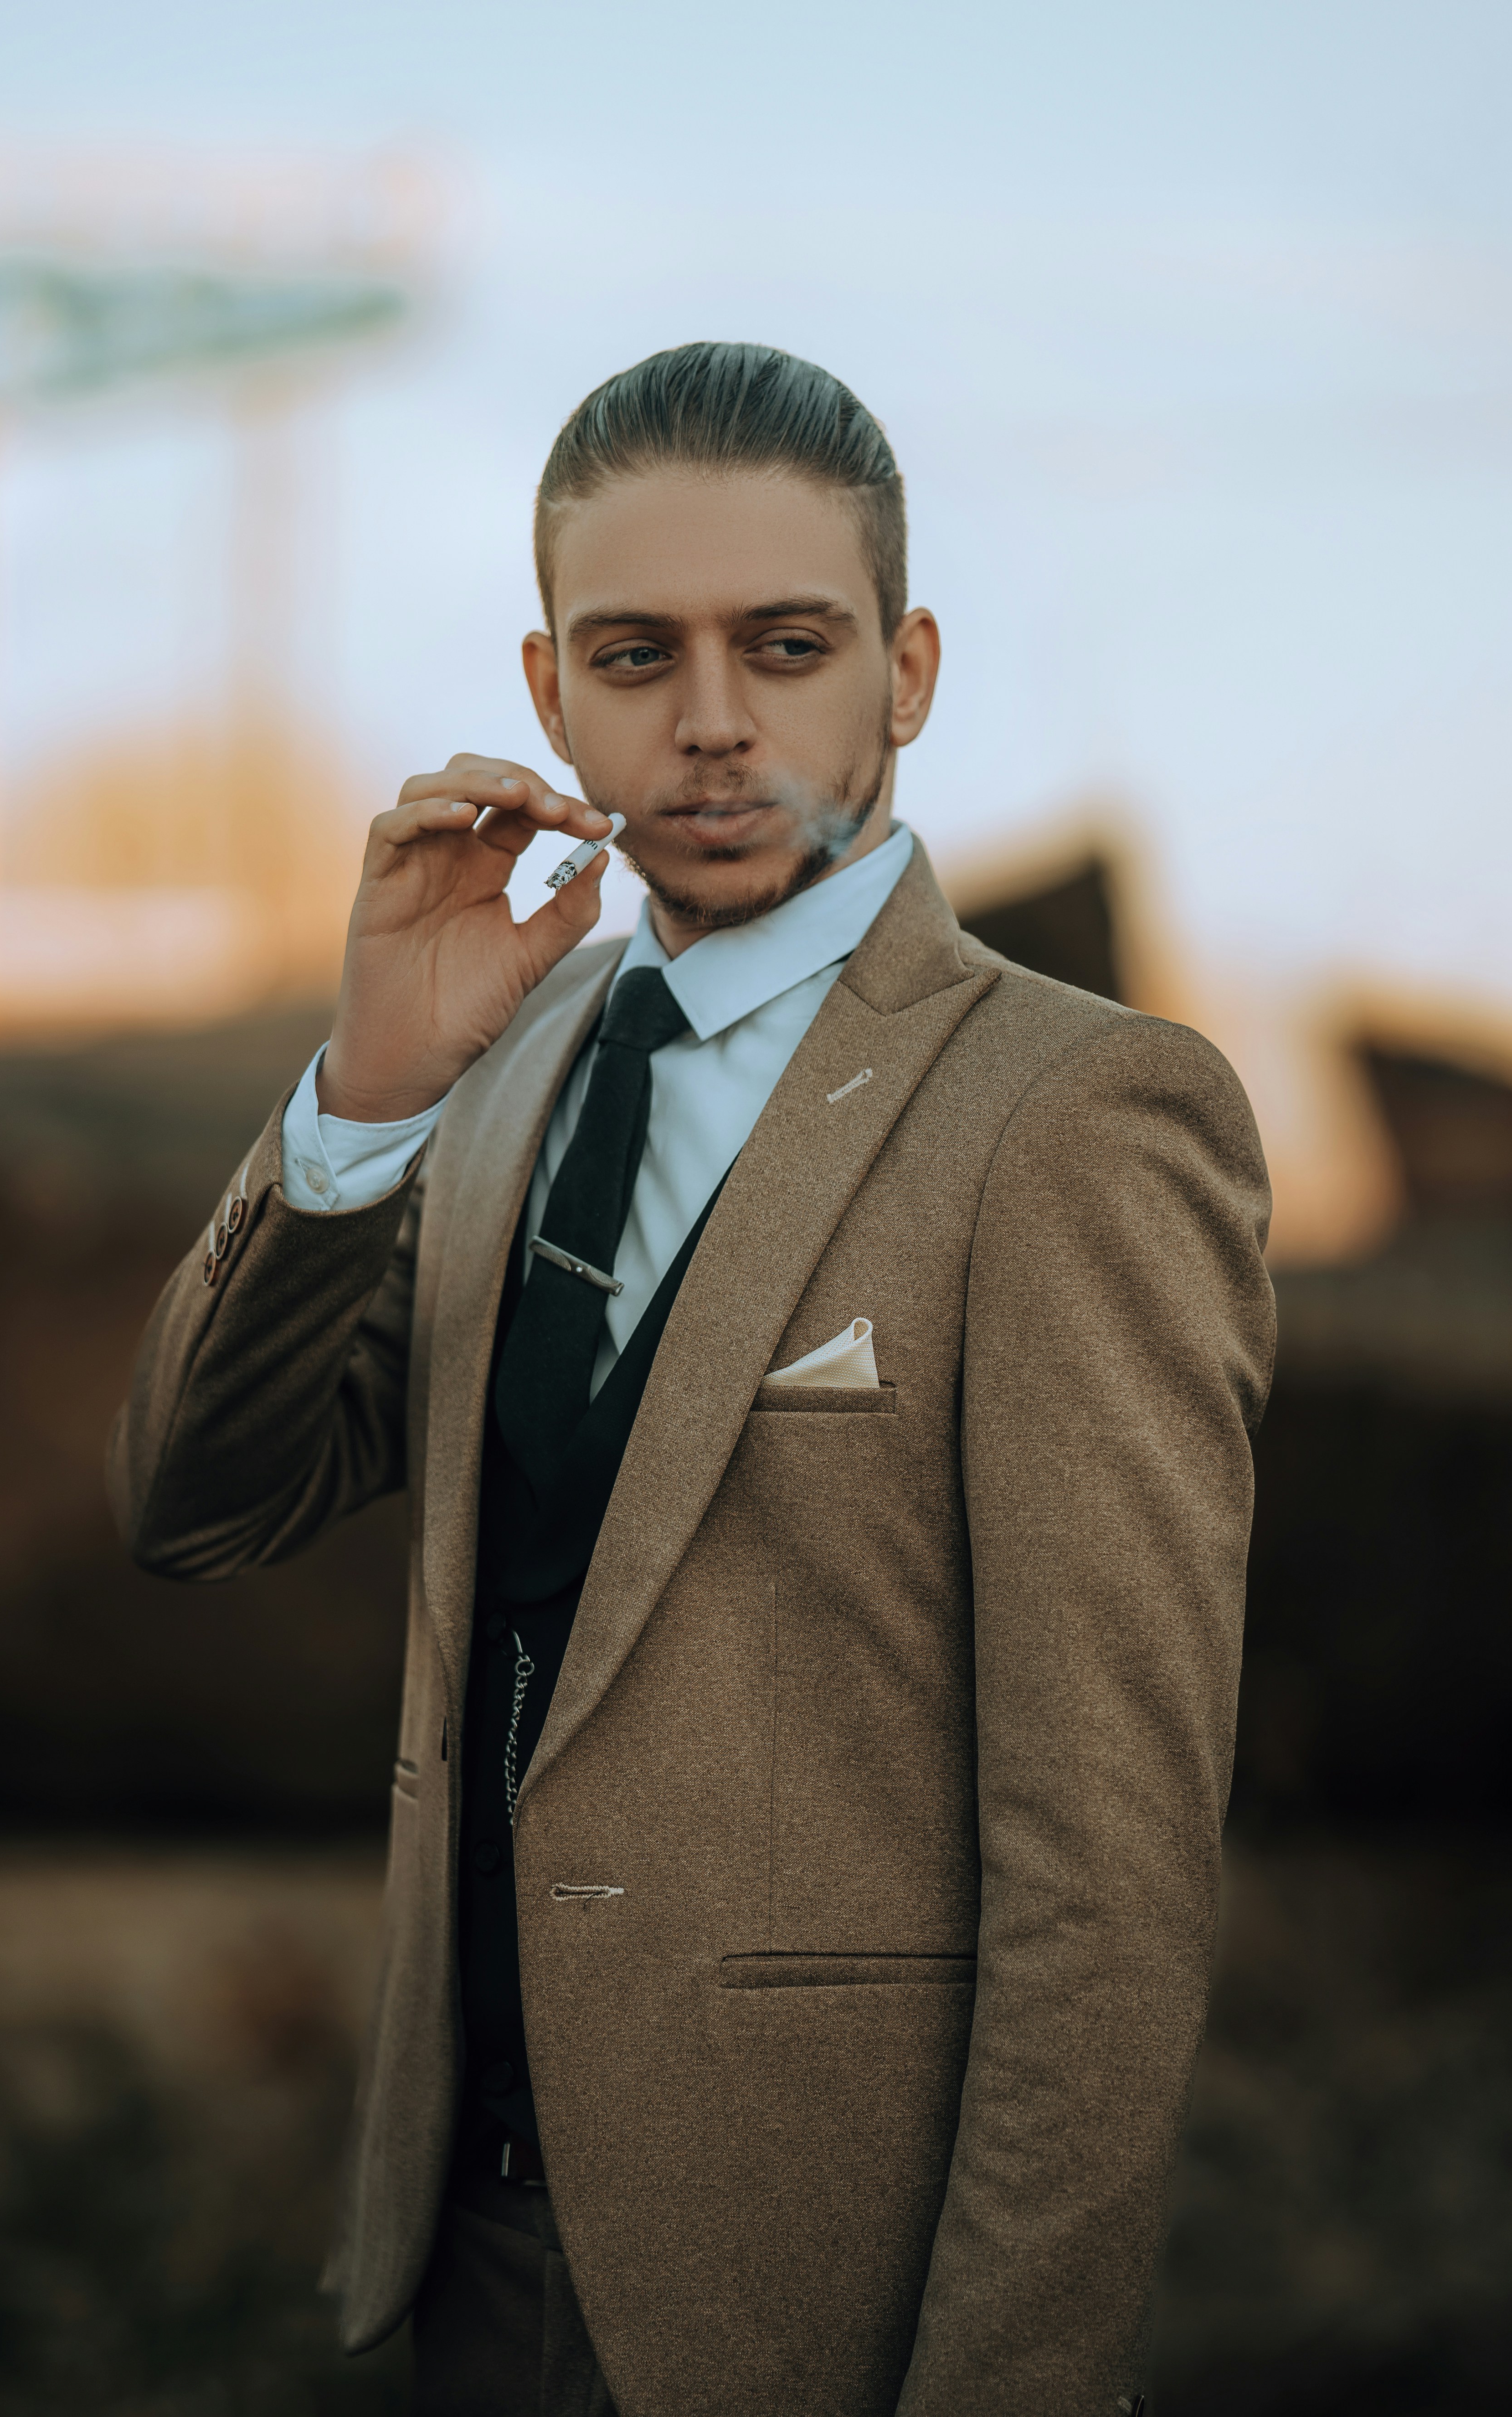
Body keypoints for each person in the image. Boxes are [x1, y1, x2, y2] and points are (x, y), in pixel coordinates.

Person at [111, 340, 1273, 2417]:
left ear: (904, 671)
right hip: (460, 2250)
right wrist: (365, 1097)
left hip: (809, 2295)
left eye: (788, 645)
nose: (713, 721)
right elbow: (198, 1498)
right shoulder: (505, 1064)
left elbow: (1106, 1881)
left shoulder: (1080, 1115)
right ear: (548, 692)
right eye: (636, 655)